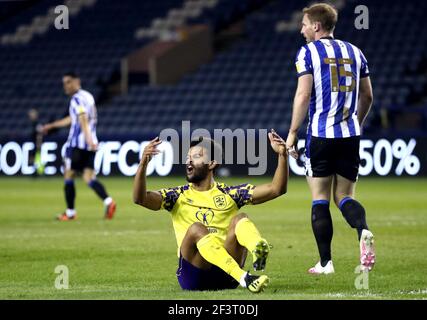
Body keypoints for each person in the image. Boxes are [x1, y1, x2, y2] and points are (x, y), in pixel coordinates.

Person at [133, 131, 288, 293]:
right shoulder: (177, 196)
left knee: (240, 219)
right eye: (188, 157)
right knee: (196, 229)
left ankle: (257, 247)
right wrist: (143, 163)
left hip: (226, 274)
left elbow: (276, 189)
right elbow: (140, 199)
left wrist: (282, 155)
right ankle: (244, 277)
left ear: (212, 163)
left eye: (197, 156)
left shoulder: (230, 194)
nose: (189, 161)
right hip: (194, 275)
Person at [285, 3, 375, 274]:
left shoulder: (308, 52)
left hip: (320, 135)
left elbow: (303, 95)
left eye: (304, 24)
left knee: (320, 198)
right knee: (344, 196)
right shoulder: (355, 51)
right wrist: (355, 124)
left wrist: (292, 134)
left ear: (316, 26)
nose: (301, 29)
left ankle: (326, 263)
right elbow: (368, 96)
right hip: (350, 136)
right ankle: (363, 230)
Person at [42, 72, 116, 221]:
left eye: (68, 82)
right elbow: (73, 118)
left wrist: (88, 139)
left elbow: (82, 119)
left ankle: (70, 213)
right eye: (64, 83)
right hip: (90, 144)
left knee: (68, 175)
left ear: (77, 81)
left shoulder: (76, 99)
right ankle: (109, 202)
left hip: (78, 144)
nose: (66, 86)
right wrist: (53, 125)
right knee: (88, 177)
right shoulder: (87, 96)